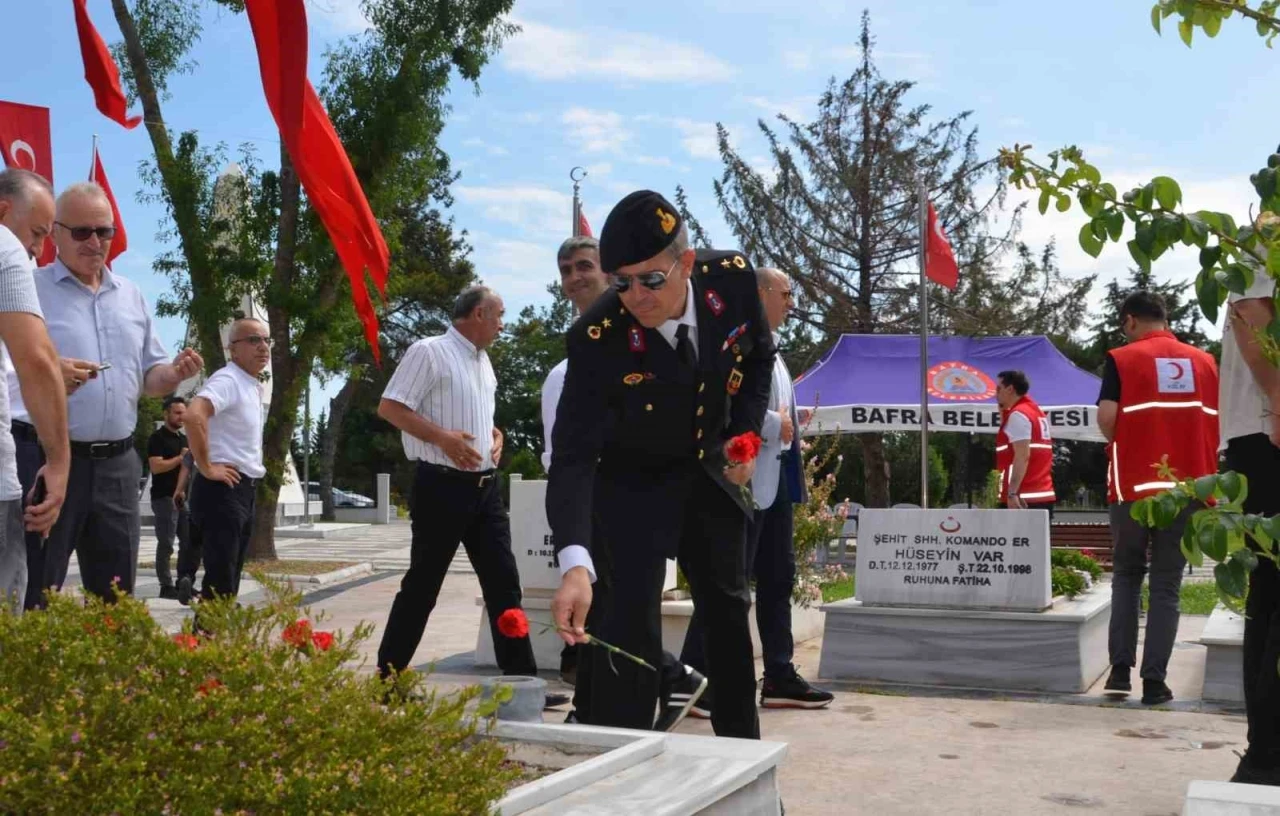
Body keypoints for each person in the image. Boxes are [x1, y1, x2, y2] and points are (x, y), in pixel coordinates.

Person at [547, 190, 775, 740]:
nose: (636, 297)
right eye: (621, 282)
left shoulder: (732, 281)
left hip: (708, 473)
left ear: (687, 263)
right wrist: (574, 562)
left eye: (651, 279)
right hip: (632, 484)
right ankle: (625, 757)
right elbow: (573, 455)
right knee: (627, 626)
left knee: (728, 615)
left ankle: (743, 759)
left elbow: (759, 356)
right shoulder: (596, 337)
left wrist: (744, 434)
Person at [541, 235, 706, 727]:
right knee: (604, 617)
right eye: (566, 269)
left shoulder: (658, 342)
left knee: (622, 615)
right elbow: (564, 456)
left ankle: (651, 690)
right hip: (583, 508)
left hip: (634, 508)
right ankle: (600, 709)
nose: (575, 277)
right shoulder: (570, 362)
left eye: (585, 266)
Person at [15, 182, 202, 606]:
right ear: (56, 233)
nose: (94, 242)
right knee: (36, 590)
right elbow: (11, 367)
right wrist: (52, 373)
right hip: (50, 459)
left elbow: (150, 378)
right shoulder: (29, 289)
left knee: (116, 597)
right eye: (82, 232)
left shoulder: (131, 296)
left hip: (118, 465)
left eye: (104, 231)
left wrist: (174, 373)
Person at [675, 266, 833, 723]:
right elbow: (721, 404)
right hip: (741, 479)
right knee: (727, 584)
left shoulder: (773, 350)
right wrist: (771, 424)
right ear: (761, 293)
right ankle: (695, 679)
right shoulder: (735, 343)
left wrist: (789, 424)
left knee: (778, 579)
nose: (791, 303)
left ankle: (779, 674)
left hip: (775, 477)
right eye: (786, 293)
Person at [376, 285, 543, 689]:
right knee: (423, 587)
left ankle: (520, 681)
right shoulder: (429, 351)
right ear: (479, 313)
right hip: (441, 487)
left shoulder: (484, 362)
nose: (503, 325)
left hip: (486, 489)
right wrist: (442, 439)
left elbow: (476, 414)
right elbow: (391, 407)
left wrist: (495, 434)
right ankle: (389, 680)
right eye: (500, 315)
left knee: (505, 584)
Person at [1096, 291, 1219, 706]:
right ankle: (1155, 682)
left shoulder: (1121, 359)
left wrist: (1126, 445)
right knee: (1167, 585)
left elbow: (1107, 418)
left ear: (1130, 320)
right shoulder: (1205, 363)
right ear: (1164, 319)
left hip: (1133, 487)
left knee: (1127, 576)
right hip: (1188, 488)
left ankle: (1119, 671)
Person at [1220, 256, 1280, 786]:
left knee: (1271, 595)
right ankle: (1267, 756)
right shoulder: (1268, 236)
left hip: (1263, 435)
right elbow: (1252, 312)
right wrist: (1279, 400)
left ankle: (1266, 754)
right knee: (1273, 595)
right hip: (1267, 436)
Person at [0, 169, 70, 613]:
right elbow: (37, 363)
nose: (38, 250)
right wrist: (59, 462)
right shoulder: (4, 246)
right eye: (38, 233)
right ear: (3, 211)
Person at [183, 318, 268, 604]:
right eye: (254, 340)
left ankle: (211, 632)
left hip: (242, 490)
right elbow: (193, 416)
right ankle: (206, 633)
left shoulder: (249, 384)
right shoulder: (229, 379)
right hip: (222, 491)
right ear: (233, 349)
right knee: (220, 584)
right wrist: (207, 466)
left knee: (227, 583)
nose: (263, 347)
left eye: (266, 340)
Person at [994, 370, 1056, 516]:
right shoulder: (1034, 411)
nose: (995, 394)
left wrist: (1012, 493)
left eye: (998, 389)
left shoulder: (1018, 415)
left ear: (1010, 389)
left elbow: (1022, 456)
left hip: (1022, 497)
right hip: (1040, 492)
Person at [147, 396, 190, 599]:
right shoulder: (157, 438)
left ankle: (184, 582)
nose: (182, 417)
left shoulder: (184, 439)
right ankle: (165, 586)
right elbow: (156, 467)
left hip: (181, 498)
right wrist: (180, 458)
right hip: (163, 497)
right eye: (177, 413)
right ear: (166, 414)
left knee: (189, 541)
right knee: (166, 543)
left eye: (184, 413)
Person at [173, 448, 202, 605]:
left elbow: (186, 465)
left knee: (193, 544)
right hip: (222, 501)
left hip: (196, 501)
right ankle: (214, 593)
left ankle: (186, 577)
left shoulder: (199, 439)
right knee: (217, 549)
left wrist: (179, 490)